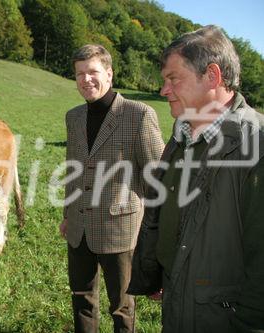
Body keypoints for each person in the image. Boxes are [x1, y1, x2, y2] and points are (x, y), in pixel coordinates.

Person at [127, 25, 264, 333]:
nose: (164, 90)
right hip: (179, 304)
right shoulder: (180, 139)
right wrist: (157, 272)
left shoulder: (257, 145)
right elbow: (165, 215)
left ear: (212, 76)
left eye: (173, 78)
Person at [60, 44, 164, 333]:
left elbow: (158, 178)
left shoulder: (139, 115)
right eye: (79, 73)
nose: (85, 79)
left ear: (109, 73)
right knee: (81, 297)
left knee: (121, 305)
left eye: (92, 71)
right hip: (79, 227)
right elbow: (73, 170)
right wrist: (68, 214)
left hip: (120, 229)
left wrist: (152, 230)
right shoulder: (74, 117)